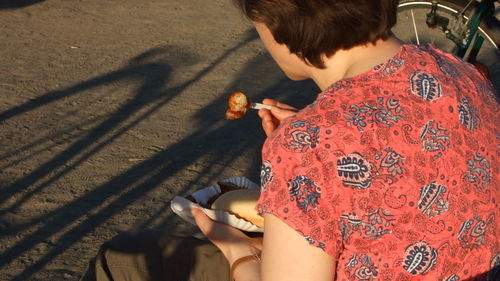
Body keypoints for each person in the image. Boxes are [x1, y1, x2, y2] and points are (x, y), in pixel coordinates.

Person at [81, 0, 499, 280]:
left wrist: (238, 252)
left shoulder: (309, 145)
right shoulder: (457, 71)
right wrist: (318, 148)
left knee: (121, 259)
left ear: (279, 22)